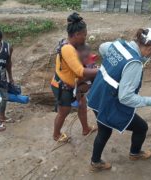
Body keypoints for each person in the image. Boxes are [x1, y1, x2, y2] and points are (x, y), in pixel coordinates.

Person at [87, 28, 151, 171]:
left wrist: (114, 68)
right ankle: (134, 153)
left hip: (97, 96)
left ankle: (95, 162)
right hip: (108, 101)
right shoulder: (134, 64)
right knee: (141, 127)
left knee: (104, 131)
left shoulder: (119, 44)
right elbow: (126, 98)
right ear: (149, 47)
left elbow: (102, 48)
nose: (150, 56)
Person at [50, 12, 98, 142]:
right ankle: (56, 134)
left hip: (74, 84)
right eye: (84, 35)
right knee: (64, 112)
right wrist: (100, 71)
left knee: (82, 104)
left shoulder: (75, 46)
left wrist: (91, 63)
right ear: (77, 35)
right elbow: (80, 71)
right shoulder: (67, 49)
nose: (85, 38)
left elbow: (84, 59)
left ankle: (85, 129)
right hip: (63, 86)